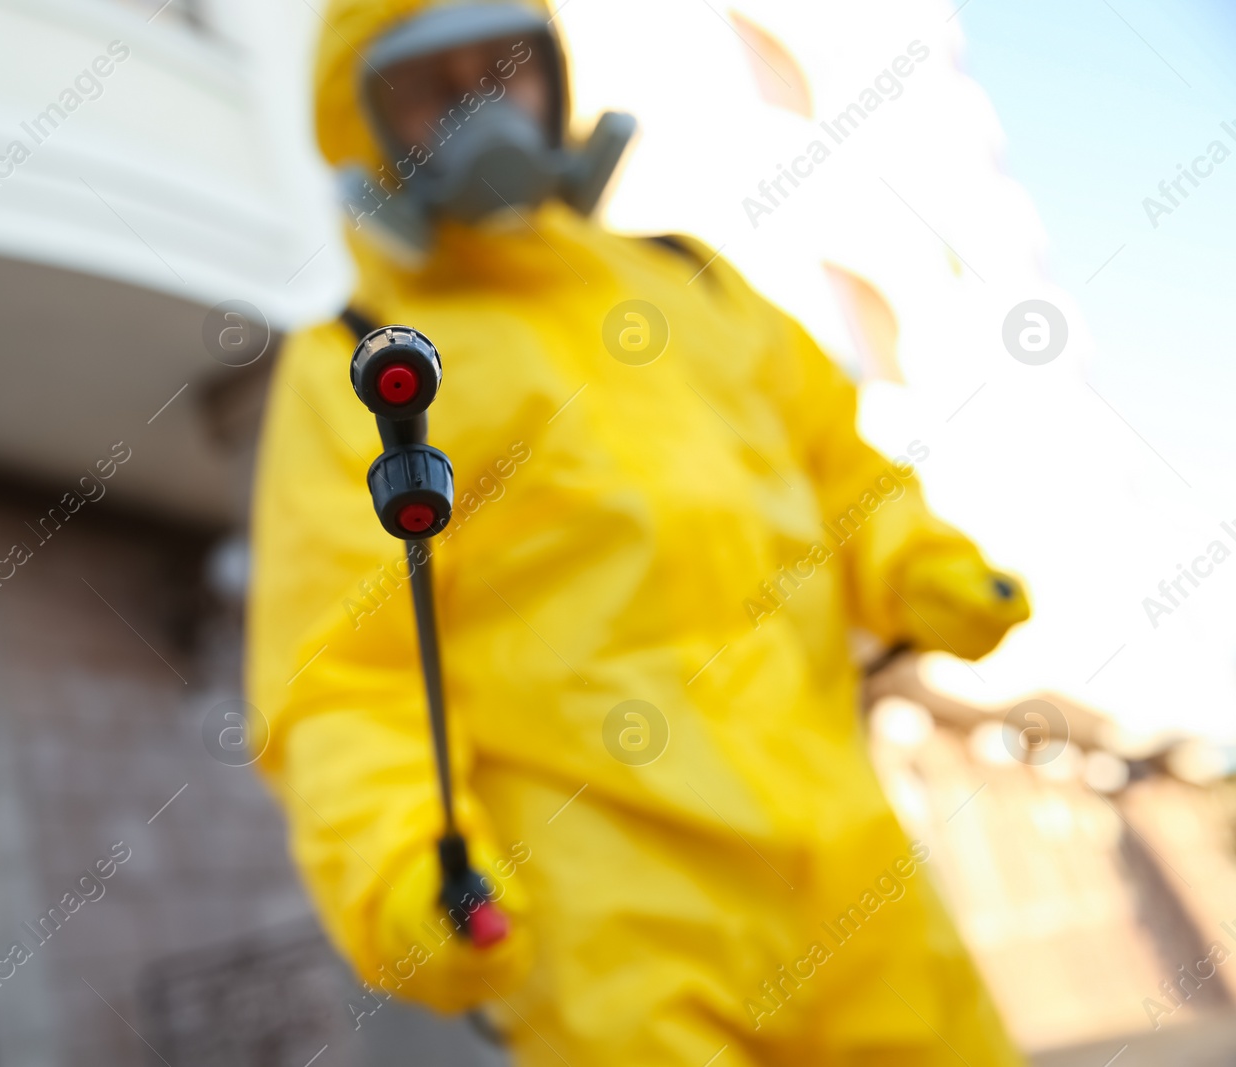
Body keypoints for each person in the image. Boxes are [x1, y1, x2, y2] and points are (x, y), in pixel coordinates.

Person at [246, 1, 1031, 1063]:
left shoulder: (692, 285)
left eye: (504, 70)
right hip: (613, 921)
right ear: (364, 124)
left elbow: (836, 463)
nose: (481, 111)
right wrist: (405, 877)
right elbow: (341, 675)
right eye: (432, 88)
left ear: (555, 85)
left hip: (852, 866)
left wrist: (918, 560)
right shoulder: (367, 361)